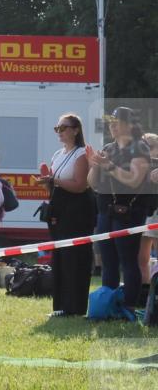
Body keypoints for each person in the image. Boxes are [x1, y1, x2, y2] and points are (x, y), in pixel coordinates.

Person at [87, 106, 151, 308]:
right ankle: (108, 304)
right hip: (105, 210)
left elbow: (134, 180)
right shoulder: (108, 148)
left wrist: (109, 166)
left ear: (130, 125)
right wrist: (95, 164)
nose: (112, 126)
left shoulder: (140, 147)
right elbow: (93, 183)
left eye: (117, 122)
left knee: (127, 259)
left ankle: (129, 305)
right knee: (107, 260)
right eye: (110, 122)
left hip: (129, 212)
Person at [35, 113, 94, 316]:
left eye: (63, 127)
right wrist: (48, 183)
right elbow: (54, 188)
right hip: (59, 210)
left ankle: (75, 307)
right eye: (57, 128)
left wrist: (55, 181)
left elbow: (80, 185)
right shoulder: (57, 154)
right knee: (59, 258)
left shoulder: (81, 154)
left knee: (75, 258)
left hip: (78, 211)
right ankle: (60, 306)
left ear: (76, 130)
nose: (59, 132)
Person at [137, 133, 158, 301]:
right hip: (143, 213)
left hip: (155, 214)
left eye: (150, 147)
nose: (147, 150)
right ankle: (145, 293)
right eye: (144, 147)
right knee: (141, 257)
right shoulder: (141, 163)